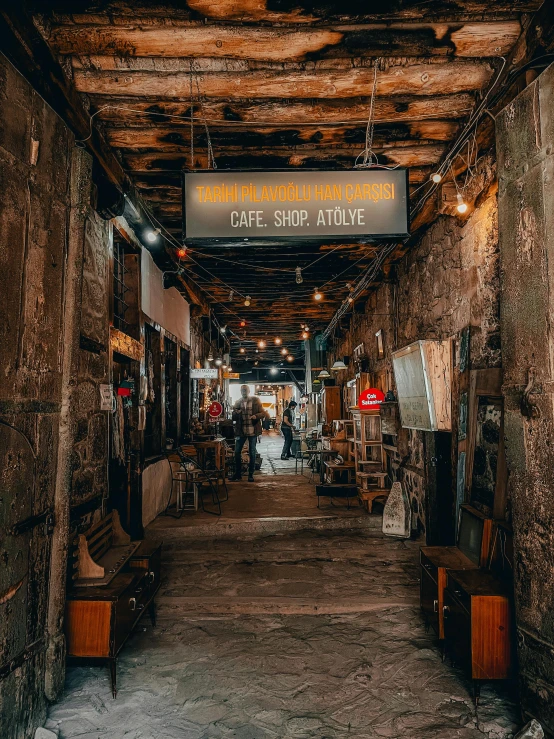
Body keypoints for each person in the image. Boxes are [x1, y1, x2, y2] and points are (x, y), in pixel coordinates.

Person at [231, 385, 266, 482]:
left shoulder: (255, 401)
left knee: (252, 452)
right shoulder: (238, 402)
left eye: (245, 390)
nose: (244, 391)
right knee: (237, 452)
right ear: (240, 391)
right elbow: (233, 417)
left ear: (249, 391)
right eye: (242, 390)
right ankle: (238, 474)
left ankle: (251, 474)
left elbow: (263, 413)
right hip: (241, 431)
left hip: (253, 431)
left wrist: (256, 416)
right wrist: (236, 413)